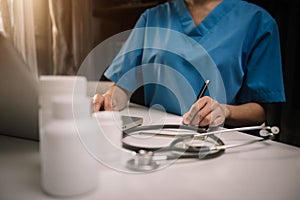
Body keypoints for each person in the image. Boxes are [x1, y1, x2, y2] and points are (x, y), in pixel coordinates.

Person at [92, 0, 286, 129]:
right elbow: (123, 87)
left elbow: (260, 112)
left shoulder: (258, 22)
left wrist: (225, 111)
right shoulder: (152, 18)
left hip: (220, 145)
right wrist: (110, 99)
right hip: (156, 139)